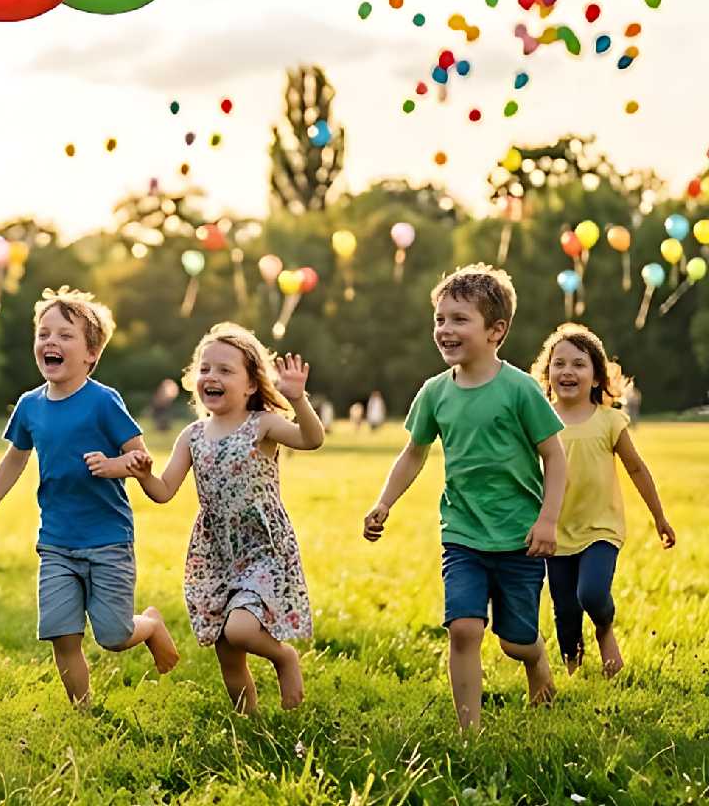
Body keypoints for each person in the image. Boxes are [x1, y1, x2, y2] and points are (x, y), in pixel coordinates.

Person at [362, 264, 567, 729]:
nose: (445, 329)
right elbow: (414, 453)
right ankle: (468, 731)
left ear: (496, 331)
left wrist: (548, 519)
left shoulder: (520, 389)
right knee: (463, 629)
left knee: (515, 642)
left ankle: (536, 660)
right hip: (462, 533)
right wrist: (384, 502)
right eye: (440, 319)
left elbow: (555, 457)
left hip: (520, 536)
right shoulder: (434, 393)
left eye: (459, 319)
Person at [0, 288, 181, 706]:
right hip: (56, 542)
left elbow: (140, 458)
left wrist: (114, 465)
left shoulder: (103, 401)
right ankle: (83, 711)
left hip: (108, 540)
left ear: (91, 354)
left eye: (65, 335)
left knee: (113, 636)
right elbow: (15, 458)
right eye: (44, 334)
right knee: (62, 635)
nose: (51, 342)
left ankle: (150, 625)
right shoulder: (29, 405)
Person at [126, 324, 323, 714]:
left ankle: (283, 657)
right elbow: (164, 491)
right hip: (215, 552)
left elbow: (311, 439)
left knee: (241, 629)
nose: (211, 376)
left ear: (251, 385)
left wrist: (298, 400)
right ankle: (246, 722)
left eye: (225, 370)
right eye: (204, 369)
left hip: (260, 546)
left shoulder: (262, 425)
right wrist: (145, 475)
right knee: (227, 652)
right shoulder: (192, 436)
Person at [529, 323, 677, 676]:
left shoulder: (610, 421)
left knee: (592, 594)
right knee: (565, 611)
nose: (567, 371)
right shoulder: (538, 420)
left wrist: (659, 517)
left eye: (578, 364)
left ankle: (604, 628)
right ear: (547, 373)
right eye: (559, 363)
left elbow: (636, 469)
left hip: (601, 528)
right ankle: (574, 667)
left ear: (596, 377)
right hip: (555, 531)